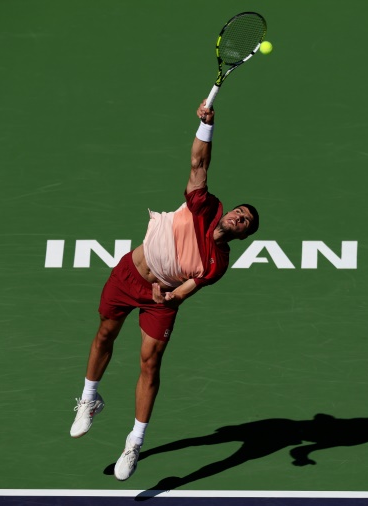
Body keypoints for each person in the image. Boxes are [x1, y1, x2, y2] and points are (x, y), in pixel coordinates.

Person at [69, 100, 259, 481]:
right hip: (129, 275)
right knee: (105, 332)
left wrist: (166, 297)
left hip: (161, 299)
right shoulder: (204, 205)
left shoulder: (217, 263)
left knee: (149, 363)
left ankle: (134, 442)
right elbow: (198, 164)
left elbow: (184, 291)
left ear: (242, 234)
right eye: (240, 210)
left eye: (246, 221)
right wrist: (207, 126)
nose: (239, 215)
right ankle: (90, 398)